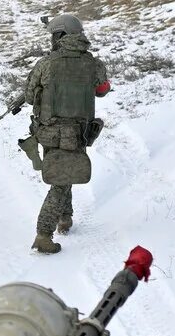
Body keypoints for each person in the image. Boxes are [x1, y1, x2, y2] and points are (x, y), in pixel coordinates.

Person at [13, 15, 112, 255]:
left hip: (48, 132)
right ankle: (64, 218)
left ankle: (44, 234)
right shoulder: (94, 64)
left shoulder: (46, 64)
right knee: (64, 174)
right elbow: (102, 91)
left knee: (61, 179)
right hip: (79, 133)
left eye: (52, 35)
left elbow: (28, 96)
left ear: (60, 36)